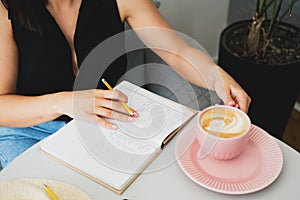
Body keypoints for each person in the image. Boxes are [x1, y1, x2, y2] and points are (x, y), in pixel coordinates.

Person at [0, 0, 251, 169]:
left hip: (107, 123)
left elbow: (177, 51)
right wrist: (63, 102)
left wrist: (214, 74)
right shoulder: (6, 9)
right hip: (32, 130)